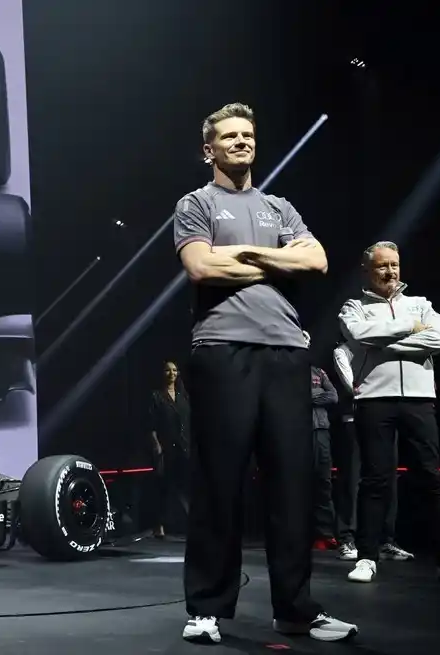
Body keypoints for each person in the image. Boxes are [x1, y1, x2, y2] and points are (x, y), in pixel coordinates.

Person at [172, 103, 357, 644]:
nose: (241, 142)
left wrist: (243, 254)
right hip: (222, 349)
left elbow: (317, 262)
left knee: (293, 485)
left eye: (247, 135)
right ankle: (206, 608)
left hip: (286, 352)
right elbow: (201, 266)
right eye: (229, 136)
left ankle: (295, 610)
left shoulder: (280, 207)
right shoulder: (197, 203)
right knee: (219, 482)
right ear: (209, 149)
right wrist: (277, 259)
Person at [335, 241, 440, 585]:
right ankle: (367, 557)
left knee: (430, 478)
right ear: (367, 271)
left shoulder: (421, 305)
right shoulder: (354, 307)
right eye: (382, 266)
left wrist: (385, 341)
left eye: (394, 265)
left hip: (419, 399)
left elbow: (439, 341)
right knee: (375, 480)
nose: (390, 272)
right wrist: (411, 328)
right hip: (375, 399)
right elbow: (360, 334)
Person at [333, 342, 411, 563]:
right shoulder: (343, 351)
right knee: (353, 480)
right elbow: (353, 388)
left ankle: (386, 540)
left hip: (384, 420)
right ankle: (347, 539)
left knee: (388, 478)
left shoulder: (384, 347)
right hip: (355, 419)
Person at [303, 332, 339, 548]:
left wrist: (306, 396)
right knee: (298, 484)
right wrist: (316, 394)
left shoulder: (319, 371)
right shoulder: (284, 371)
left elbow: (333, 396)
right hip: (296, 432)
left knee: (323, 482)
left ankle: (325, 533)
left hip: (321, 431)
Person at [148, 360, 190, 538]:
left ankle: (190, 522)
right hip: (166, 447)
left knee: (186, 486)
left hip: (184, 447)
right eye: (167, 370)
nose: (171, 373)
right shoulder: (156, 396)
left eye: (174, 370)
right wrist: (156, 445)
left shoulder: (183, 396)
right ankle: (159, 525)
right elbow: (151, 425)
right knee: (163, 487)